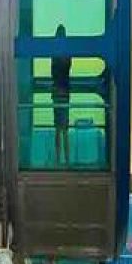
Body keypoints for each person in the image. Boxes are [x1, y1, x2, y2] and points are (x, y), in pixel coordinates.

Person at [51, 24, 72, 164]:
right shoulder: (67, 55)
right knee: (64, 129)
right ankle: (67, 159)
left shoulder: (54, 55)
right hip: (65, 92)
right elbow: (68, 68)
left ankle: (58, 159)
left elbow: (53, 72)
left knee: (58, 129)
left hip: (56, 91)